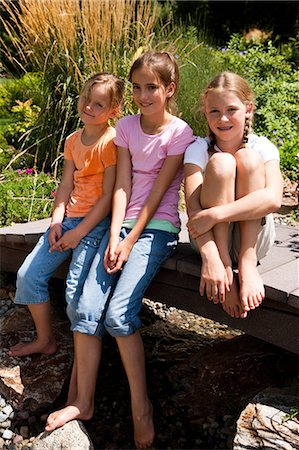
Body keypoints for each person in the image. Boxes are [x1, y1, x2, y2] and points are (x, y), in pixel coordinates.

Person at [45, 51, 194, 449]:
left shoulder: (179, 132)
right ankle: (83, 402)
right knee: (87, 307)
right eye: (137, 88)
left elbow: (157, 194)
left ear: (169, 89)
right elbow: (122, 187)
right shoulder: (125, 127)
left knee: (117, 313)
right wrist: (114, 236)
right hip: (121, 224)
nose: (143, 95)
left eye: (151, 88)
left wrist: (129, 240)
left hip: (155, 228)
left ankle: (139, 407)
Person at [9, 72, 125, 357]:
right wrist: (57, 220)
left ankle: (84, 356)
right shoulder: (73, 140)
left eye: (98, 104)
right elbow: (65, 184)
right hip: (69, 218)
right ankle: (45, 339)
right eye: (86, 98)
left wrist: (78, 232)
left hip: (94, 224)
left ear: (113, 111)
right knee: (27, 275)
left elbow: (109, 197)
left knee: (74, 294)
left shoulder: (111, 142)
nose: (88, 106)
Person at [184, 71, 283, 319]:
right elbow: (194, 212)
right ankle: (227, 266)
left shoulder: (263, 147)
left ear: (248, 109)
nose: (223, 118)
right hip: (209, 241)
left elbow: (273, 199)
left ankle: (247, 265)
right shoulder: (197, 149)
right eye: (214, 111)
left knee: (247, 158)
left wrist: (217, 213)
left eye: (231, 109)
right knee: (220, 163)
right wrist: (213, 260)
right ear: (205, 113)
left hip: (253, 242)